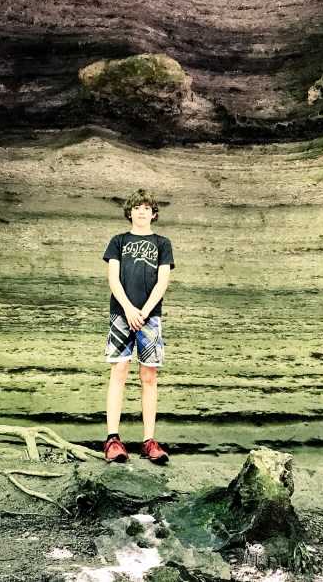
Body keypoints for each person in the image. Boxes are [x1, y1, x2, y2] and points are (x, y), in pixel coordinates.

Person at [101, 190, 175, 464]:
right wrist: (129, 309)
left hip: (150, 317)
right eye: (136, 207)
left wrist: (143, 311)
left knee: (149, 375)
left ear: (153, 214)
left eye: (146, 208)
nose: (141, 211)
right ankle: (113, 440)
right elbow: (113, 280)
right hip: (121, 315)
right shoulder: (118, 241)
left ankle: (149, 442)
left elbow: (163, 281)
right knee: (119, 371)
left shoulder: (162, 243)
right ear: (129, 212)